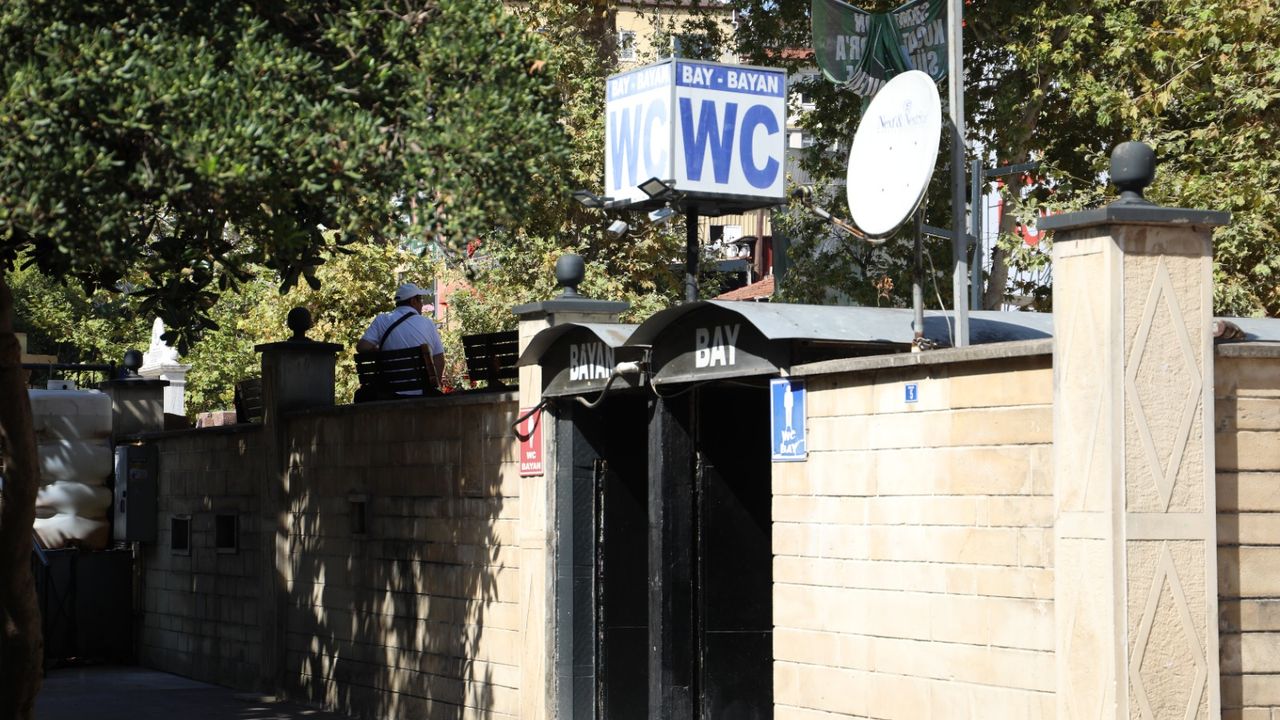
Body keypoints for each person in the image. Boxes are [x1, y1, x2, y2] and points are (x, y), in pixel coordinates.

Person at [357, 282, 446, 386]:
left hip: (391, 391)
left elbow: (362, 347)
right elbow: (439, 358)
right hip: (423, 390)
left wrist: (379, 350)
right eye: (420, 300)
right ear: (413, 301)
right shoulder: (428, 323)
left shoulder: (382, 320)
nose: (422, 304)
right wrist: (435, 386)